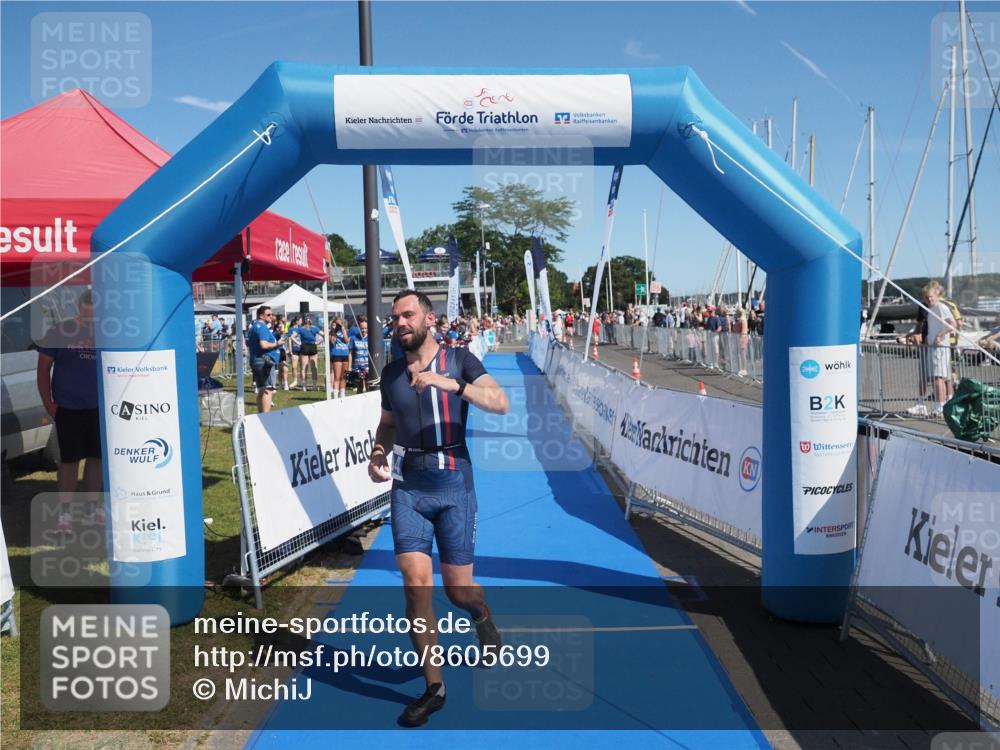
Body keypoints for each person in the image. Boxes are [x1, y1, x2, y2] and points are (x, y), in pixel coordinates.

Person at [368, 289, 510, 728]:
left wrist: (453, 385)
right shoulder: (391, 373)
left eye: (408, 315)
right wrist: (378, 452)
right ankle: (435, 688)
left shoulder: (459, 360)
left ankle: (481, 614)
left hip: (454, 485)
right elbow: (388, 424)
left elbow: (501, 403)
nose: (400, 323)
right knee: (415, 586)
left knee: (458, 591)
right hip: (408, 487)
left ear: (429, 319)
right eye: (395, 317)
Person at [36, 290, 102, 530]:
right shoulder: (59, 331)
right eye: (87, 308)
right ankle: (65, 514)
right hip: (68, 408)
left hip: (98, 408)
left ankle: (93, 508)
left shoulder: (105, 332)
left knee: (97, 458)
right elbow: (43, 369)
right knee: (69, 461)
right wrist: (49, 403)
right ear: (79, 307)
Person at [247, 305, 284, 413]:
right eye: (268, 315)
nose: (271, 316)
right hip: (264, 361)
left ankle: (260, 416)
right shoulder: (262, 327)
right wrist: (277, 344)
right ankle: (265, 417)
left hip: (257, 360)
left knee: (262, 389)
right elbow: (263, 344)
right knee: (268, 390)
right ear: (261, 316)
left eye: (272, 314)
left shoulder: (255, 326)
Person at [297, 316, 321, 391]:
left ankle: (305, 386)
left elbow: (292, 336)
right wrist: (319, 342)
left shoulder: (301, 329)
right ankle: (314, 386)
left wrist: (298, 342)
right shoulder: (314, 328)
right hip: (312, 346)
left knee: (304, 368)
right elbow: (324, 335)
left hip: (305, 346)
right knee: (313, 368)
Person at [329, 317, 351, 398]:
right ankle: (335, 395)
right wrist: (333, 330)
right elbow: (332, 341)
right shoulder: (331, 332)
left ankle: (342, 394)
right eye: (336, 323)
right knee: (337, 377)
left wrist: (343, 330)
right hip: (337, 355)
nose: (338, 325)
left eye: (339, 324)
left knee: (344, 377)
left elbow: (346, 341)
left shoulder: (345, 331)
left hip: (345, 355)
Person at [348, 319, 370, 393]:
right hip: (357, 366)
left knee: (368, 385)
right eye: (362, 328)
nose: (364, 330)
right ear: (359, 328)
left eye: (365, 328)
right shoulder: (353, 338)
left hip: (367, 366)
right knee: (359, 386)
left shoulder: (370, 338)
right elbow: (350, 353)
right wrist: (349, 366)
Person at [287, 315, 303, 389]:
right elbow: (289, 340)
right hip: (294, 350)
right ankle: (295, 381)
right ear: (297, 321)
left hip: (302, 350)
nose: (301, 322)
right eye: (300, 320)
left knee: (302, 366)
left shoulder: (302, 328)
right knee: (294, 366)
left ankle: (302, 381)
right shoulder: (291, 329)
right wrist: (290, 350)